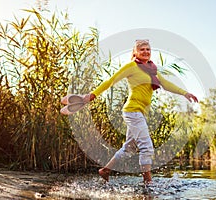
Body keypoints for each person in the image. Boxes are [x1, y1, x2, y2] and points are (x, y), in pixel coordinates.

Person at [83, 39, 198, 184]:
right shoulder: (132, 66)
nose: (145, 52)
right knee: (147, 147)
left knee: (129, 148)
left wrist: (185, 93)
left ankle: (105, 170)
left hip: (140, 113)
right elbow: (110, 81)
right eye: (142, 49)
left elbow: (165, 84)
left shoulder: (152, 69)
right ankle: (148, 183)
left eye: (148, 49)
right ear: (135, 52)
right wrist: (92, 95)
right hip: (132, 111)